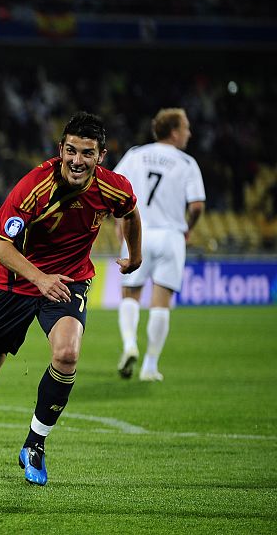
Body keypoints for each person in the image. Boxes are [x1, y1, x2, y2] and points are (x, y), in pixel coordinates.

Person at [0, 112, 141, 486]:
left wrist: (135, 253)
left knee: (67, 354)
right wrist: (40, 278)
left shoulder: (114, 187)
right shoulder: (34, 187)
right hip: (17, 283)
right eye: (71, 151)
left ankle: (35, 445)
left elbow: (130, 212)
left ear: (101, 156)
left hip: (69, 282)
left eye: (87, 153)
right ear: (61, 149)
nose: (77, 160)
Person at [114, 108, 205, 382]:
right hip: (170, 235)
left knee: (130, 294)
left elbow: (115, 190)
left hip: (138, 232)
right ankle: (150, 366)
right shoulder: (187, 163)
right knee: (161, 303)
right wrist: (188, 227)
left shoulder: (135, 154)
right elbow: (197, 205)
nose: (189, 132)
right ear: (175, 132)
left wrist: (121, 223)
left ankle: (130, 344)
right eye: (186, 127)